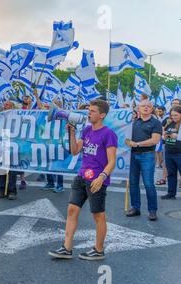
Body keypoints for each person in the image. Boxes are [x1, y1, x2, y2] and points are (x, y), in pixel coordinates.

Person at [49, 100, 117, 261]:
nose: (89, 113)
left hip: (96, 180)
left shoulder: (109, 134)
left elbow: (112, 161)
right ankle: (66, 248)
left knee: (98, 216)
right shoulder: (86, 130)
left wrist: (102, 177)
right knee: (72, 210)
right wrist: (71, 133)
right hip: (81, 177)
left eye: (93, 111)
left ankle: (98, 250)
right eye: (89, 110)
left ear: (102, 115)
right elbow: (74, 151)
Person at [125, 100, 162, 221]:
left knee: (149, 184)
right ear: (138, 109)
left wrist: (137, 144)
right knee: (133, 183)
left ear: (152, 109)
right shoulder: (134, 122)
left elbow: (155, 140)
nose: (146, 108)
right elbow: (127, 139)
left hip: (147, 155)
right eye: (143, 106)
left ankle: (152, 211)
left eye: (149, 106)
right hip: (132, 156)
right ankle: (135, 208)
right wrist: (128, 143)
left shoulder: (156, 123)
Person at [161, 107, 181, 200]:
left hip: (179, 152)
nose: (174, 117)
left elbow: (175, 137)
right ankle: (171, 193)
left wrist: (176, 136)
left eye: (176, 115)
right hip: (169, 151)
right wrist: (165, 136)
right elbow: (166, 136)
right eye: (172, 115)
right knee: (171, 173)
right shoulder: (170, 122)